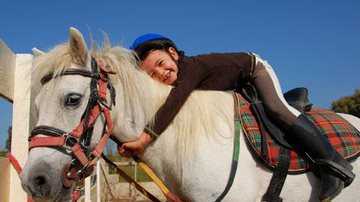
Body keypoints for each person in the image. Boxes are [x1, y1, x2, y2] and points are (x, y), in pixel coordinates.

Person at [119, 33, 355, 201]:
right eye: (153, 74)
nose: (162, 73)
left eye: (161, 64)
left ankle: (334, 165)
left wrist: (143, 140)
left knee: (276, 109)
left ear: (173, 53)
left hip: (255, 70)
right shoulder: (180, 78)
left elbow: (173, 104)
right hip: (236, 87)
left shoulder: (190, 68)